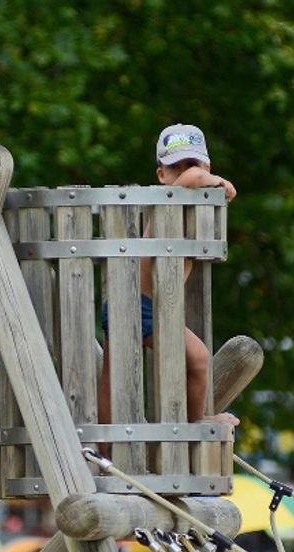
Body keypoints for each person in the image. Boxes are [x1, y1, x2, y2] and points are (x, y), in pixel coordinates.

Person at [99, 123, 240, 428]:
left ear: (208, 164)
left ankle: (106, 448)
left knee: (113, 376)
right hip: (139, 304)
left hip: (136, 302)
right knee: (198, 359)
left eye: (193, 163)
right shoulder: (171, 199)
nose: (187, 172)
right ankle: (194, 421)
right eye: (176, 167)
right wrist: (214, 179)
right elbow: (193, 178)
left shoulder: (191, 212)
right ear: (162, 176)